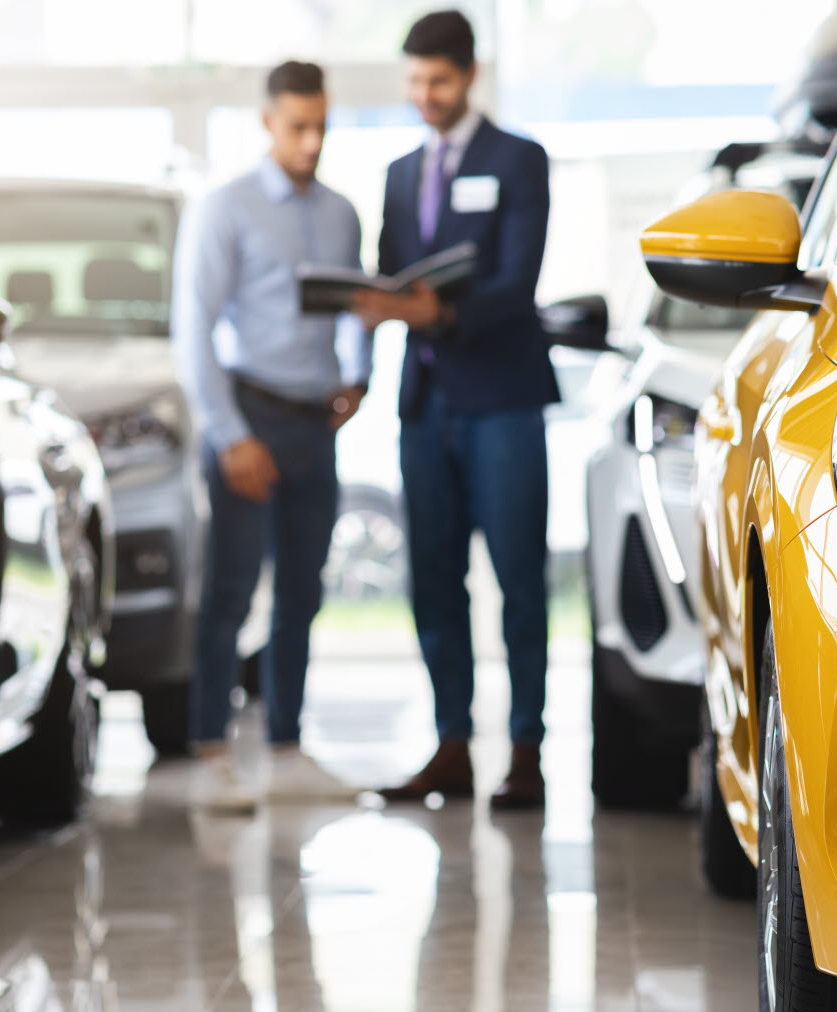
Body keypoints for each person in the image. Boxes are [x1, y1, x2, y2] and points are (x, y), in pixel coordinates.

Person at [354, 10, 559, 810]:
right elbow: (386, 275)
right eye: (414, 82)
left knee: (519, 580)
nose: (424, 96)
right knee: (433, 579)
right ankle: (450, 747)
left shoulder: (519, 159)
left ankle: (527, 750)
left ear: (469, 75)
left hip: (501, 398)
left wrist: (435, 314)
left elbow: (516, 284)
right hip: (424, 405)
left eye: (437, 81)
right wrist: (370, 314)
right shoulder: (402, 173)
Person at [173, 60, 370, 811]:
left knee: (301, 593)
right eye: (297, 127)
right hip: (247, 420)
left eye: (321, 125)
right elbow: (192, 331)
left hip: (315, 421)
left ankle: (287, 747)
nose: (311, 141)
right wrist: (229, 435)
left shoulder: (342, 212)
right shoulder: (223, 209)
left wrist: (359, 378)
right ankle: (212, 751)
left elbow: (355, 309)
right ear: (267, 122)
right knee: (229, 592)